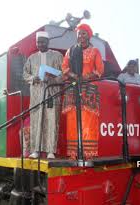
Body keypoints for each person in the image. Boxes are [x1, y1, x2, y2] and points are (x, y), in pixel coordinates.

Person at [62, 23, 104, 158]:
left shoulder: (95, 51)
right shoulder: (71, 50)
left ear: (89, 35)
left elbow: (99, 70)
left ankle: (88, 153)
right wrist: (75, 76)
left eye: (83, 33)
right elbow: (64, 68)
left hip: (89, 89)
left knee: (88, 121)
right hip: (73, 88)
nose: (80, 36)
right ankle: (74, 153)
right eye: (79, 33)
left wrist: (86, 77)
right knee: (72, 120)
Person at [23, 31, 63, 159]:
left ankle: (51, 150)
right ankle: (35, 150)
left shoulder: (57, 56)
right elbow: (25, 74)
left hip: (52, 93)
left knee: (52, 120)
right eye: (38, 42)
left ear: (48, 42)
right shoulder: (32, 57)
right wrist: (33, 78)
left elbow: (63, 74)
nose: (40, 44)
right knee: (36, 120)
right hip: (36, 94)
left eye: (42, 42)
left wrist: (51, 79)